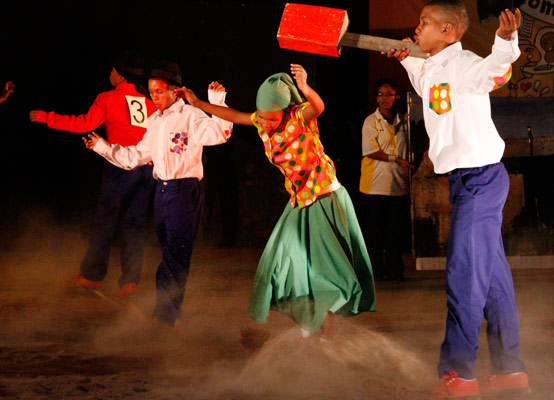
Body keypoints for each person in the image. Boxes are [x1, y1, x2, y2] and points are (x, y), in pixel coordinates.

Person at [384, 1, 529, 398]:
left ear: (448, 31)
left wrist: (505, 41)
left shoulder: (464, 65)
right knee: (493, 281)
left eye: (425, 22)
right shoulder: (433, 68)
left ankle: (459, 375)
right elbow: (427, 85)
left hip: (480, 180)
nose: (417, 28)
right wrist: (406, 59)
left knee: (464, 276)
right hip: (467, 182)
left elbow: (496, 72)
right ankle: (510, 371)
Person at [175, 64, 376, 339]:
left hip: (324, 198)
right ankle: (309, 323)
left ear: (285, 109)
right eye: (262, 117)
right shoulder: (261, 121)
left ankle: (325, 334)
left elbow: (318, 107)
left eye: (272, 118)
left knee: (324, 270)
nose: (266, 124)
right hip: (300, 201)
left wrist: (305, 88)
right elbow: (234, 115)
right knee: (283, 263)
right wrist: (198, 103)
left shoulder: (299, 117)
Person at [83, 60, 233, 327]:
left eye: (159, 91)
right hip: (162, 192)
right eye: (151, 92)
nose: (154, 97)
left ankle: (165, 317)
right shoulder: (154, 121)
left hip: (183, 191)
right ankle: (169, 315)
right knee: (170, 253)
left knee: (175, 254)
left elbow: (221, 133)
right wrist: (101, 147)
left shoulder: (190, 115)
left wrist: (216, 101)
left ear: (176, 91)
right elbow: (134, 157)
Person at [30, 51, 156, 295]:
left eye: (112, 71)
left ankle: (92, 275)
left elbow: (84, 124)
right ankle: (130, 281)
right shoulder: (147, 100)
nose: (110, 74)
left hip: (119, 166)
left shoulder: (107, 98)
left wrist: (47, 118)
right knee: (135, 224)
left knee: (106, 221)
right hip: (146, 168)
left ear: (121, 76)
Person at [359, 78, 412, 282]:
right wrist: (395, 159)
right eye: (380, 94)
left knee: (395, 230)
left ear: (396, 96)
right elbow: (369, 151)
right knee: (375, 231)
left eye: (389, 94)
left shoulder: (404, 121)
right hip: (374, 185)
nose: (384, 98)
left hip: (398, 184)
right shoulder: (371, 121)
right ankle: (375, 271)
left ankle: (395, 270)